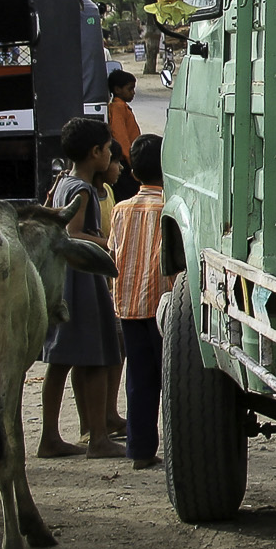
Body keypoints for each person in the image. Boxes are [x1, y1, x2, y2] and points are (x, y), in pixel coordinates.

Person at [37, 117, 126, 460]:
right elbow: (72, 233)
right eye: (107, 150)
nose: (109, 157)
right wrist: (110, 243)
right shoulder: (82, 189)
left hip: (64, 276)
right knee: (97, 357)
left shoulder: (63, 181)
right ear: (95, 153)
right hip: (82, 276)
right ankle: (99, 437)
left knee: (59, 361)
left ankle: (51, 436)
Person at [109, 135, 170, 470]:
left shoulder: (121, 210)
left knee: (138, 380)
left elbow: (113, 251)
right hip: (163, 308)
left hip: (129, 306)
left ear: (133, 173)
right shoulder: (170, 209)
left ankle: (140, 449)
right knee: (170, 379)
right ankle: (179, 448)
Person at [106, 69, 142, 201]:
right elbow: (121, 138)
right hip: (126, 163)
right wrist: (133, 164)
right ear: (117, 89)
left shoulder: (121, 107)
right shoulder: (117, 108)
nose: (133, 93)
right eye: (130, 89)